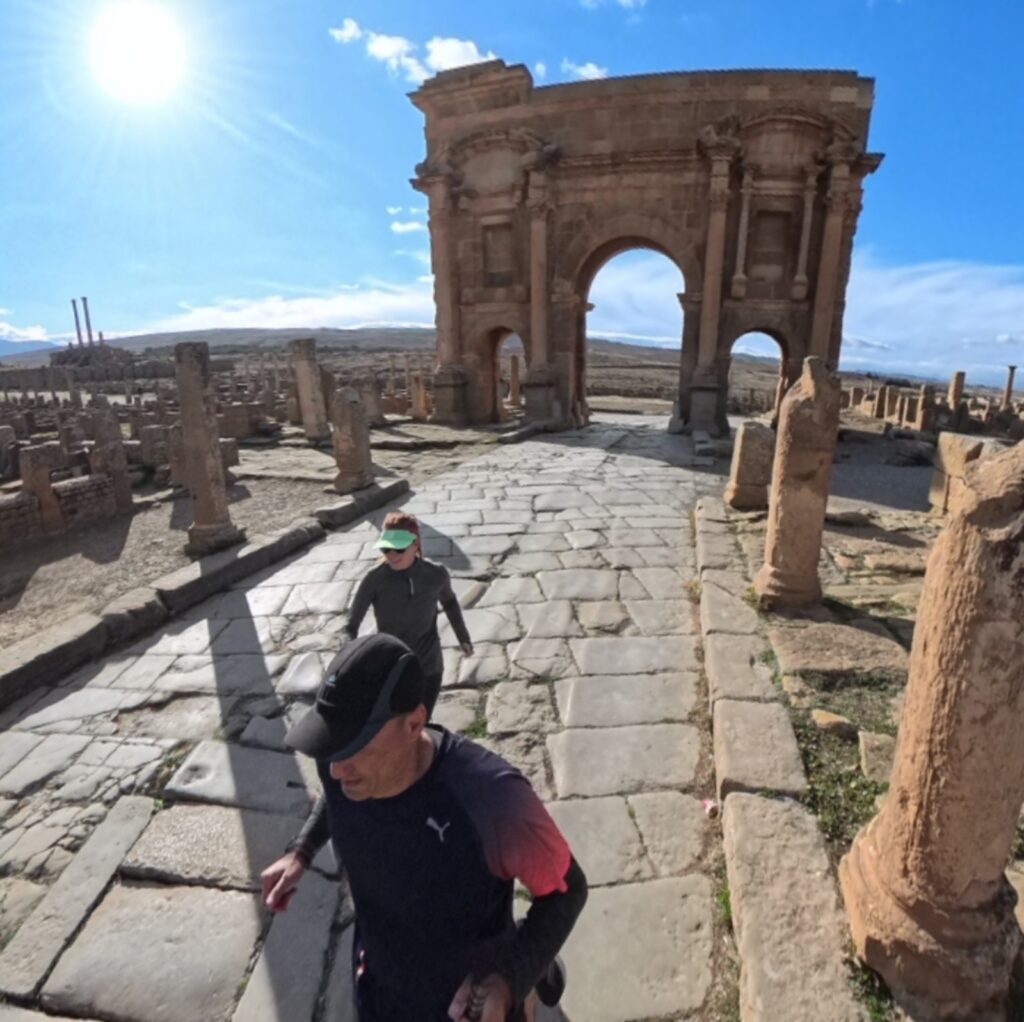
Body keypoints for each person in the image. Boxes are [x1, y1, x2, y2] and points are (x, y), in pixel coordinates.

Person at [262, 634, 587, 1022]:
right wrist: (301, 851)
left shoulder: (491, 797)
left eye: (354, 747)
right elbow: (336, 800)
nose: (335, 770)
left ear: (414, 723)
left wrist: (509, 979)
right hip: (378, 983)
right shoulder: (341, 764)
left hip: (468, 1001)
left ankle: (536, 978)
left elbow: (569, 891)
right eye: (331, 746)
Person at [343, 511, 472, 716]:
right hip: (392, 668)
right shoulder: (374, 579)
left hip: (430, 667)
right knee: (398, 724)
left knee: (422, 720)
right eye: (386, 548)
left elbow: (449, 602)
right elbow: (350, 625)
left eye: (399, 548)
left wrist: (463, 637)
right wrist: (345, 653)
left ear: (415, 544)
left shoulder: (436, 574)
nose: (392, 555)